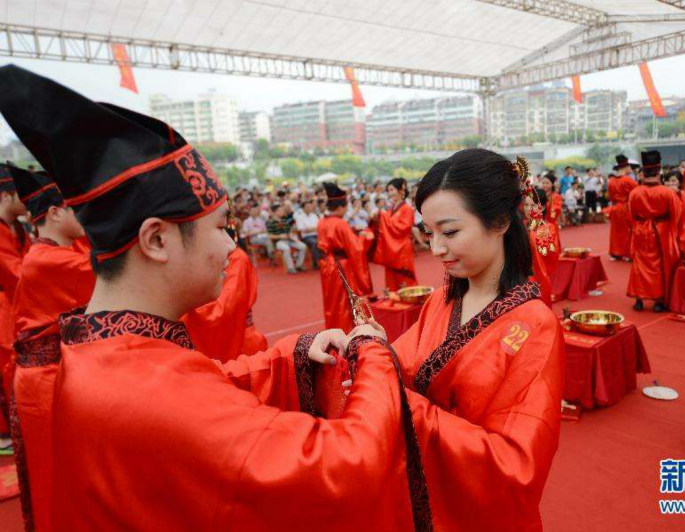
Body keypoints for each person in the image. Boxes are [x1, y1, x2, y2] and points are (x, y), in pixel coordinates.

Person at [0, 65, 429, 532]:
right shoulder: (148, 390)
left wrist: (296, 356)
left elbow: (209, 388)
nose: (231, 246)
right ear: (157, 240)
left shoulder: (102, 349)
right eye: (221, 227)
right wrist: (375, 355)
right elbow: (342, 465)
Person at [386, 148, 564, 532]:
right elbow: (395, 362)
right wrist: (365, 347)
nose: (436, 249)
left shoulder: (536, 326)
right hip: (422, 499)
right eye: (429, 233)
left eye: (449, 232)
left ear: (500, 221)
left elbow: (515, 465)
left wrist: (407, 412)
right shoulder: (443, 298)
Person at [5, 165, 93, 532]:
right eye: (76, 206)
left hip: (51, 375)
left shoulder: (53, 251)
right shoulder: (49, 259)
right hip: (44, 382)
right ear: (55, 213)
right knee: (51, 474)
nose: (83, 213)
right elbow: (110, 271)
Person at [627, 150, 682, 313]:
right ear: (659, 172)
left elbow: (630, 216)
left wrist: (638, 227)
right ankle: (658, 301)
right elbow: (677, 214)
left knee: (639, 263)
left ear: (643, 172)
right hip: (660, 231)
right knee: (657, 265)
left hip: (640, 231)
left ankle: (639, 299)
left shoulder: (634, 193)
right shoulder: (668, 193)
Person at [0, 162, 29, 455]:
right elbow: (17, 274)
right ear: (6, 196)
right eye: (21, 194)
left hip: (14, 304)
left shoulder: (15, 228)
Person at [316, 182, 373, 332]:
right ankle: (347, 332)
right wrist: (366, 236)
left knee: (332, 303)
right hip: (341, 266)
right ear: (341, 206)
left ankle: (334, 330)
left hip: (327, 266)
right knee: (345, 303)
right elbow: (355, 248)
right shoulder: (341, 224)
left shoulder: (322, 222)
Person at [371, 177, 418, 291]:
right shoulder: (390, 209)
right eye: (388, 190)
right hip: (391, 248)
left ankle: (409, 301)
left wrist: (383, 216)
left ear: (401, 191)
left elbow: (404, 228)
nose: (390, 193)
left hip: (402, 249)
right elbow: (385, 226)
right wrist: (377, 218)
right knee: (392, 279)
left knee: (404, 279)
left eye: (392, 190)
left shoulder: (407, 209)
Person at [605, 155, 638, 261]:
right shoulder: (628, 180)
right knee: (628, 231)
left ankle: (615, 253)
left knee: (615, 231)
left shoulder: (611, 181)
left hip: (615, 207)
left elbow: (609, 196)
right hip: (625, 207)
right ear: (626, 167)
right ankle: (628, 253)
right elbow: (638, 192)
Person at [266, 203, 307, 274]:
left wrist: (291, 235)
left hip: (289, 239)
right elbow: (270, 236)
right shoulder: (270, 222)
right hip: (278, 241)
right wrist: (280, 236)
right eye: (280, 211)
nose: (282, 212)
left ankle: (299, 265)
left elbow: (288, 231)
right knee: (286, 248)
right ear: (275, 212)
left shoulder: (284, 221)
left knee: (303, 246)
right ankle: (290, 268)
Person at [539, 174, 562, 276]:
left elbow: (556, 210)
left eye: (547, 183)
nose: (544, 185)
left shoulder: (556, 196)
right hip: (539, 225)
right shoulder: (538, 194)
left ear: (552, 184)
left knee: (552, 248)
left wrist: (548, 205)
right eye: (543, 182)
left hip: (550, 225)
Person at [294, 199, 321, 269]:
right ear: (303, 208)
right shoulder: (300, 217)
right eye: (308, 207)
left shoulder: (314, 215)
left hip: (317, 234)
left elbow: (319, 226)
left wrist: (311, 229)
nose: (310, 208)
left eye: (310, 207)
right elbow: (302, 230)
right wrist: (314, 229)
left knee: (325, 241)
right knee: (315, 243)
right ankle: (317, 262)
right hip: (307, 237)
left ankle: (326, 261)